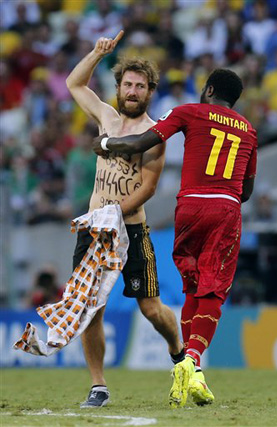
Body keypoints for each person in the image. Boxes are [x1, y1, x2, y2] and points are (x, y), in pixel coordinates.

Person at [93, 68, 257, 408]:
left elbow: (142, 142)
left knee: (192, 286)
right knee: (214, 287)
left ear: (209, 89)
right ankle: (193, 360)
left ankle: (188, 367)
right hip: (225, 207)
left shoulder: (189, 111)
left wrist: (106, 143)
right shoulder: (249, 131)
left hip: (189, 207)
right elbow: (247, 191)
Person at [66, 30, 184, 408]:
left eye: (141, 86)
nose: (133, 91)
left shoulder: (155, 134)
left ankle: (177, 350)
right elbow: (74, 83)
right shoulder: (107, 116)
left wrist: (116, 214)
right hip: (95, 229)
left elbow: (148, 188)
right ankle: (98, 385)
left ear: (150, 91)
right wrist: (97, 53)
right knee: (91, 308)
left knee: (151, 309)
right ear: (119, 87)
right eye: (128, 84)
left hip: (131, 229)